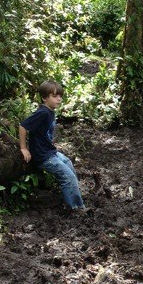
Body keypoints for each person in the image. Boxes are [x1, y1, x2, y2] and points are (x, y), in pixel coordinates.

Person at [19, 80, 85, 212]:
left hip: (50, 151)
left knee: (68, 164)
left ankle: (72, 197)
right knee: (68, 177)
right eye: (54, 96)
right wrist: (23, 148)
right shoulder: (42, 113)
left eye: (60, 96)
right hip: (42, 156)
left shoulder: (50, 111)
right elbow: (23, 126)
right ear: (44, 98)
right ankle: (76, 208)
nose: (59, 99)